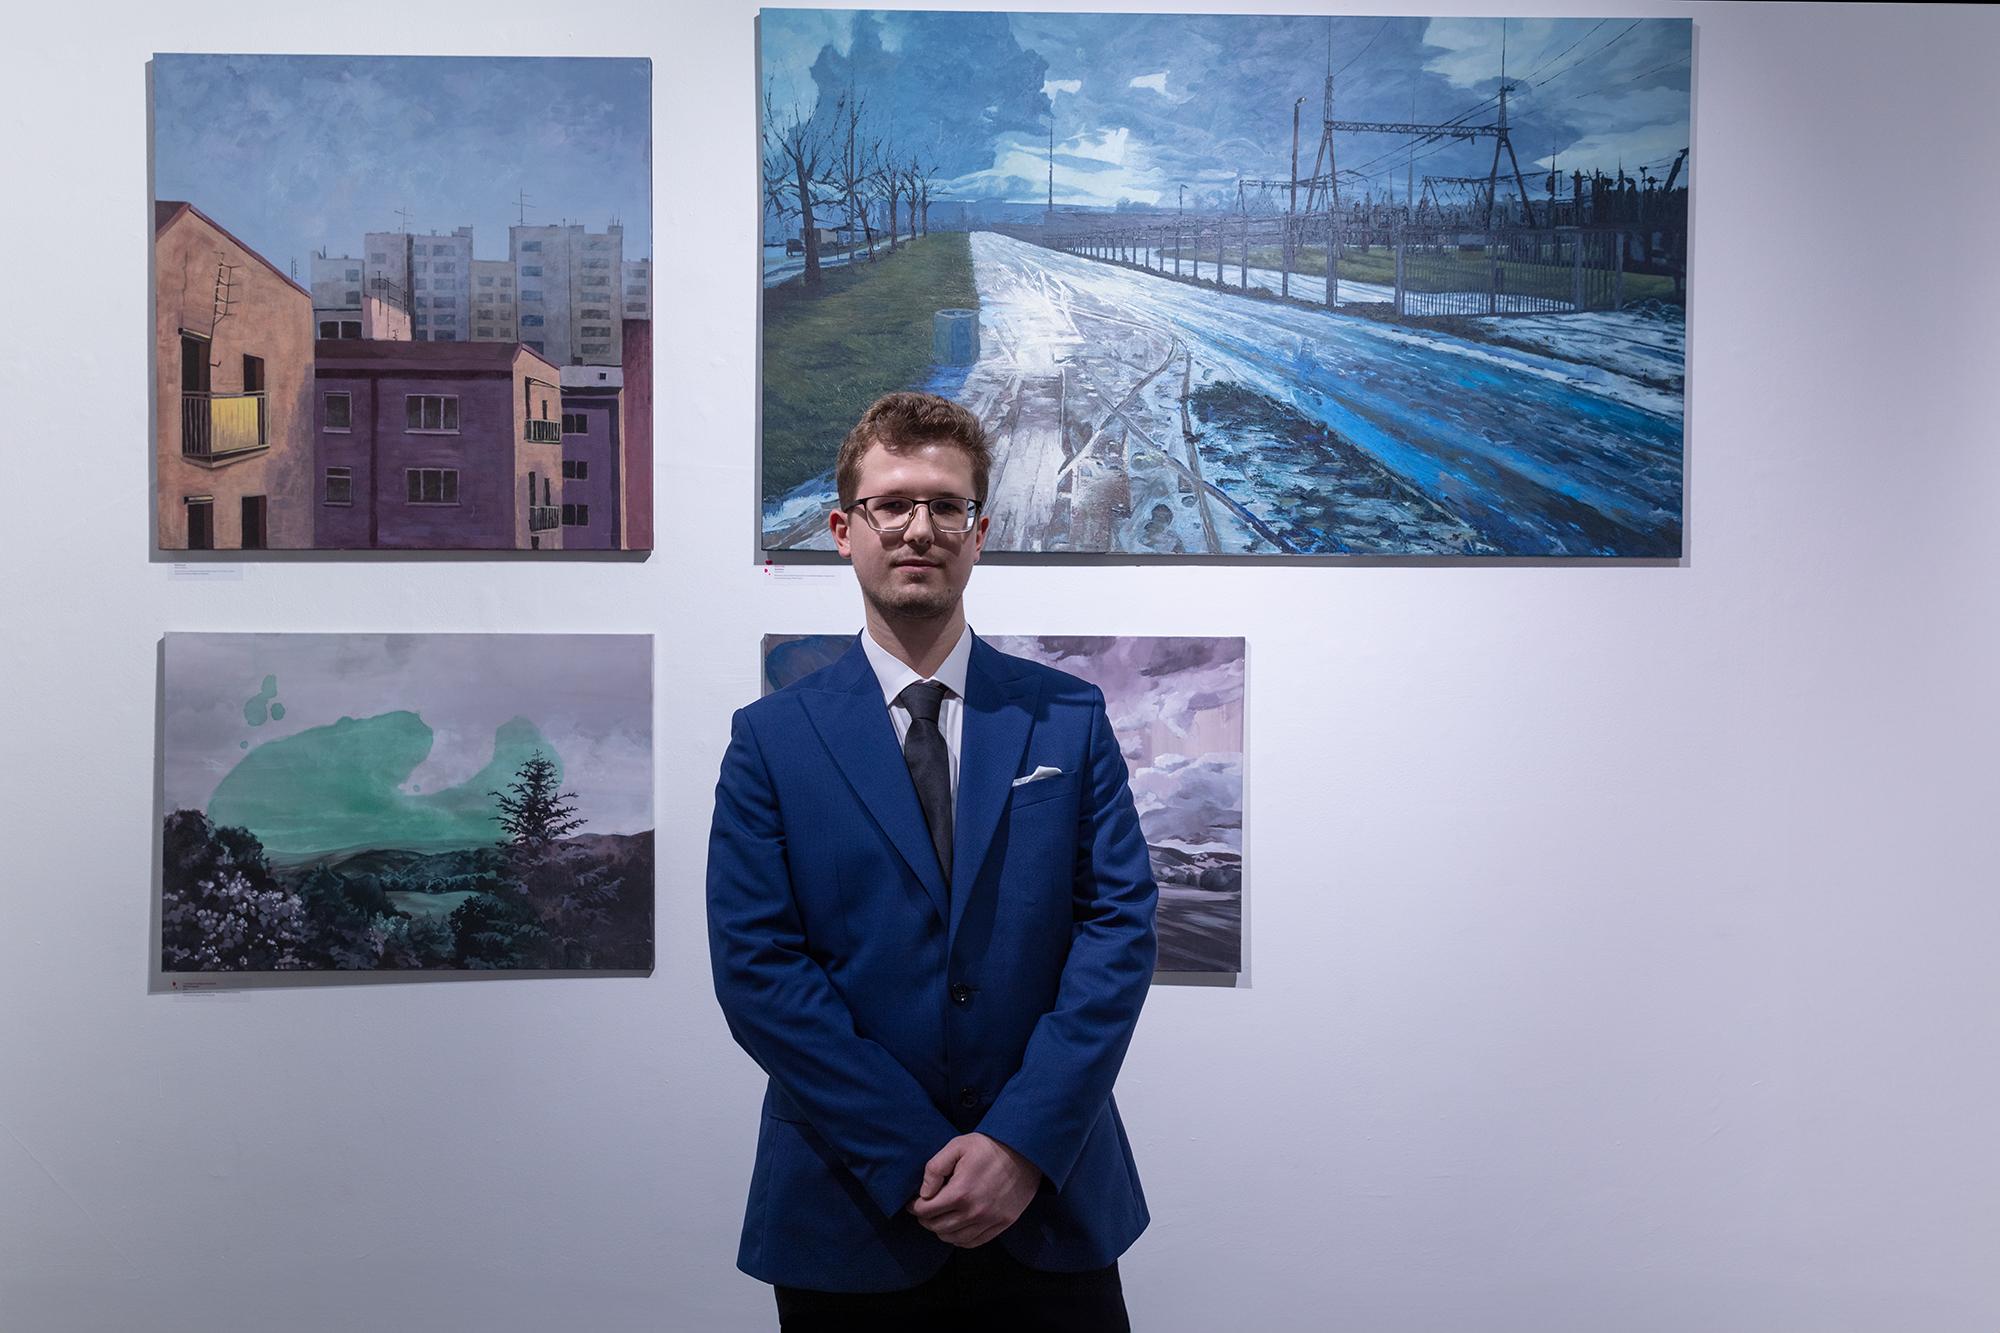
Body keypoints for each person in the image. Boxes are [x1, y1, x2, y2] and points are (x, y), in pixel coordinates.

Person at [707, 391, 1158, 1330]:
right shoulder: (770, 740)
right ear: (844, 529)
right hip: (850, 1209)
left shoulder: (1067, 718)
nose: (920, 529)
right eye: (892, 504)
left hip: (1050, 1202)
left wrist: (1017, 1144)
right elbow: (758, 970)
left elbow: (1118, 933)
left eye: (947, 506)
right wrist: (914, 1151)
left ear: (979, 532)